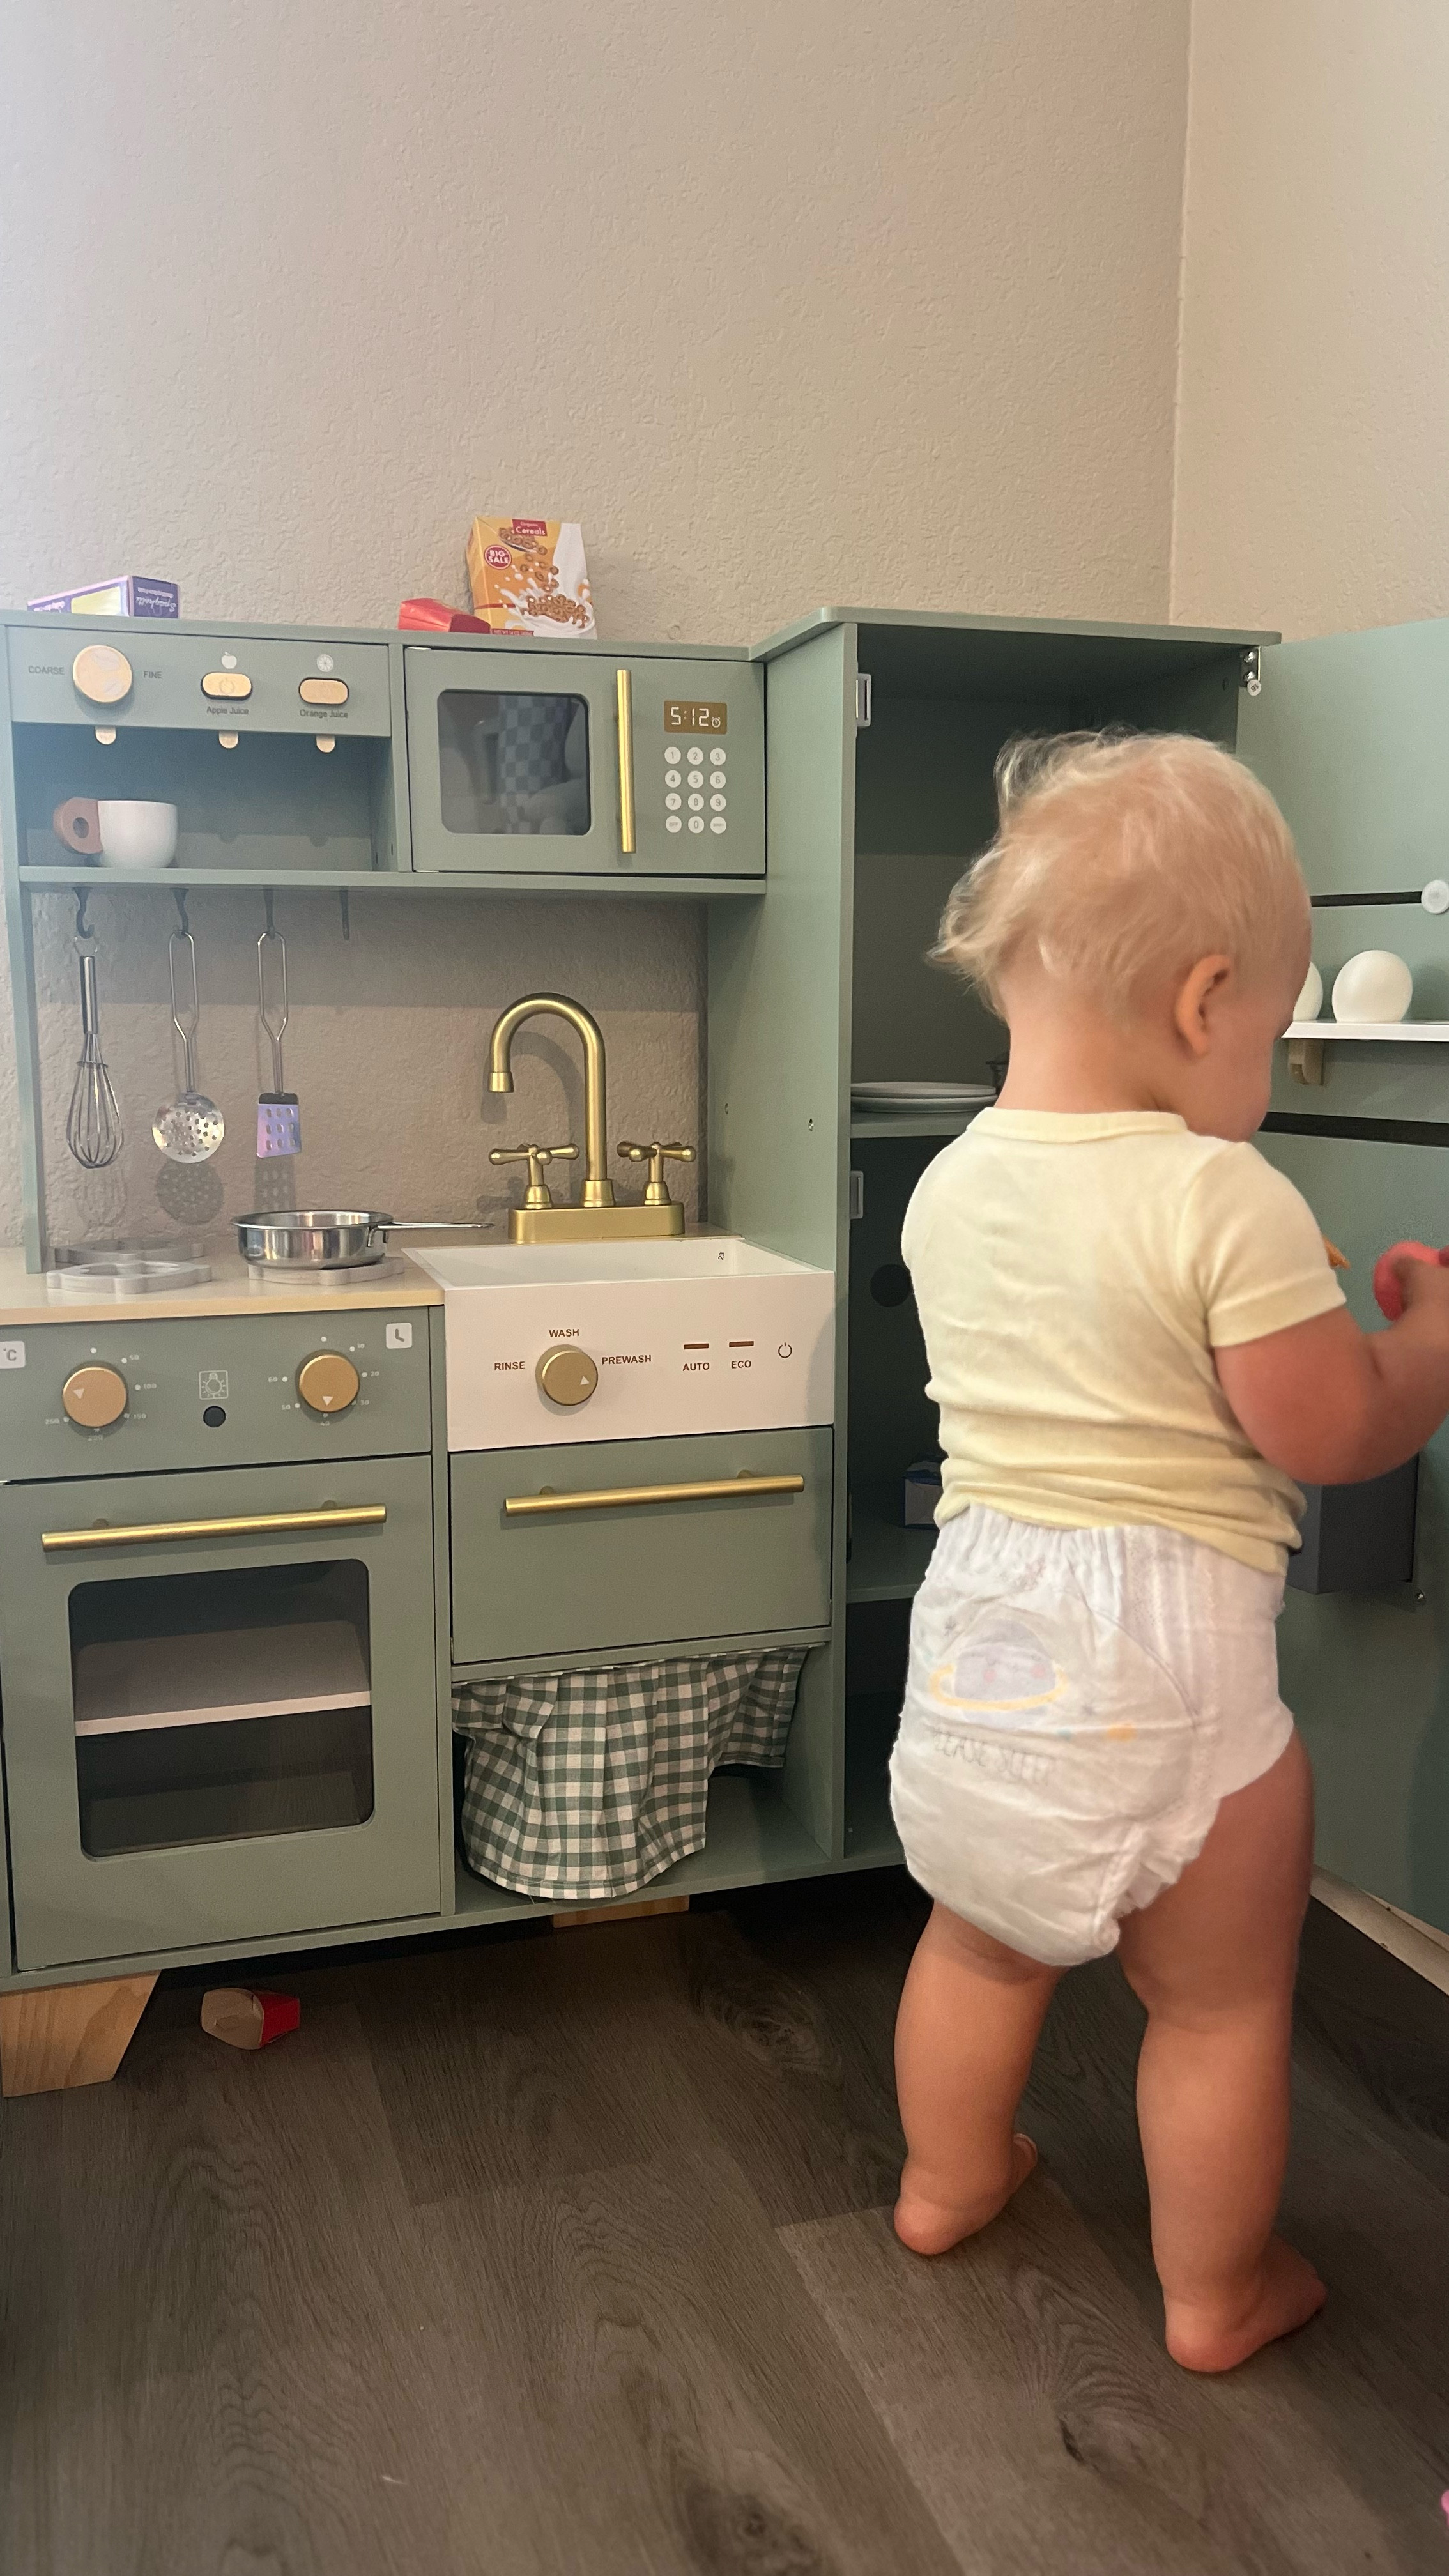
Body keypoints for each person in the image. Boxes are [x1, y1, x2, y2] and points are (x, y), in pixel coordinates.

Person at [889, 732, 1449, 2372]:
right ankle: (1217, 2296)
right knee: (1216, 2010)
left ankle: (948, 2176)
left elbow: (1076, 1364)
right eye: (1271, 1028)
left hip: (981, 1643)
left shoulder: (948, 1187)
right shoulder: (1227, 1198)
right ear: (1209, 1004)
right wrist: (1420, 1348)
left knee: (976, 1947)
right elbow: (1330, 1432)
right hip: (1170, 1682)